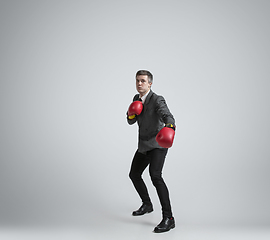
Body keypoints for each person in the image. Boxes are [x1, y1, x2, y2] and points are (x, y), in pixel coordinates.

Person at [127, 70, 176, 233]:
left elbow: (168, 116)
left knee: (155, 176)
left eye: (142, 81)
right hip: (143, 145)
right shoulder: (136, 99)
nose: (139, 84)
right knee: (134, 174)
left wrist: (170, 127)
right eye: (137, 81)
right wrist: (131, 113)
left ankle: (169, 218)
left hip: (157, 144)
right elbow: (130, 121)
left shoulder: (157, 99)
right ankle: (147, 204)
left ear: (150, 83)